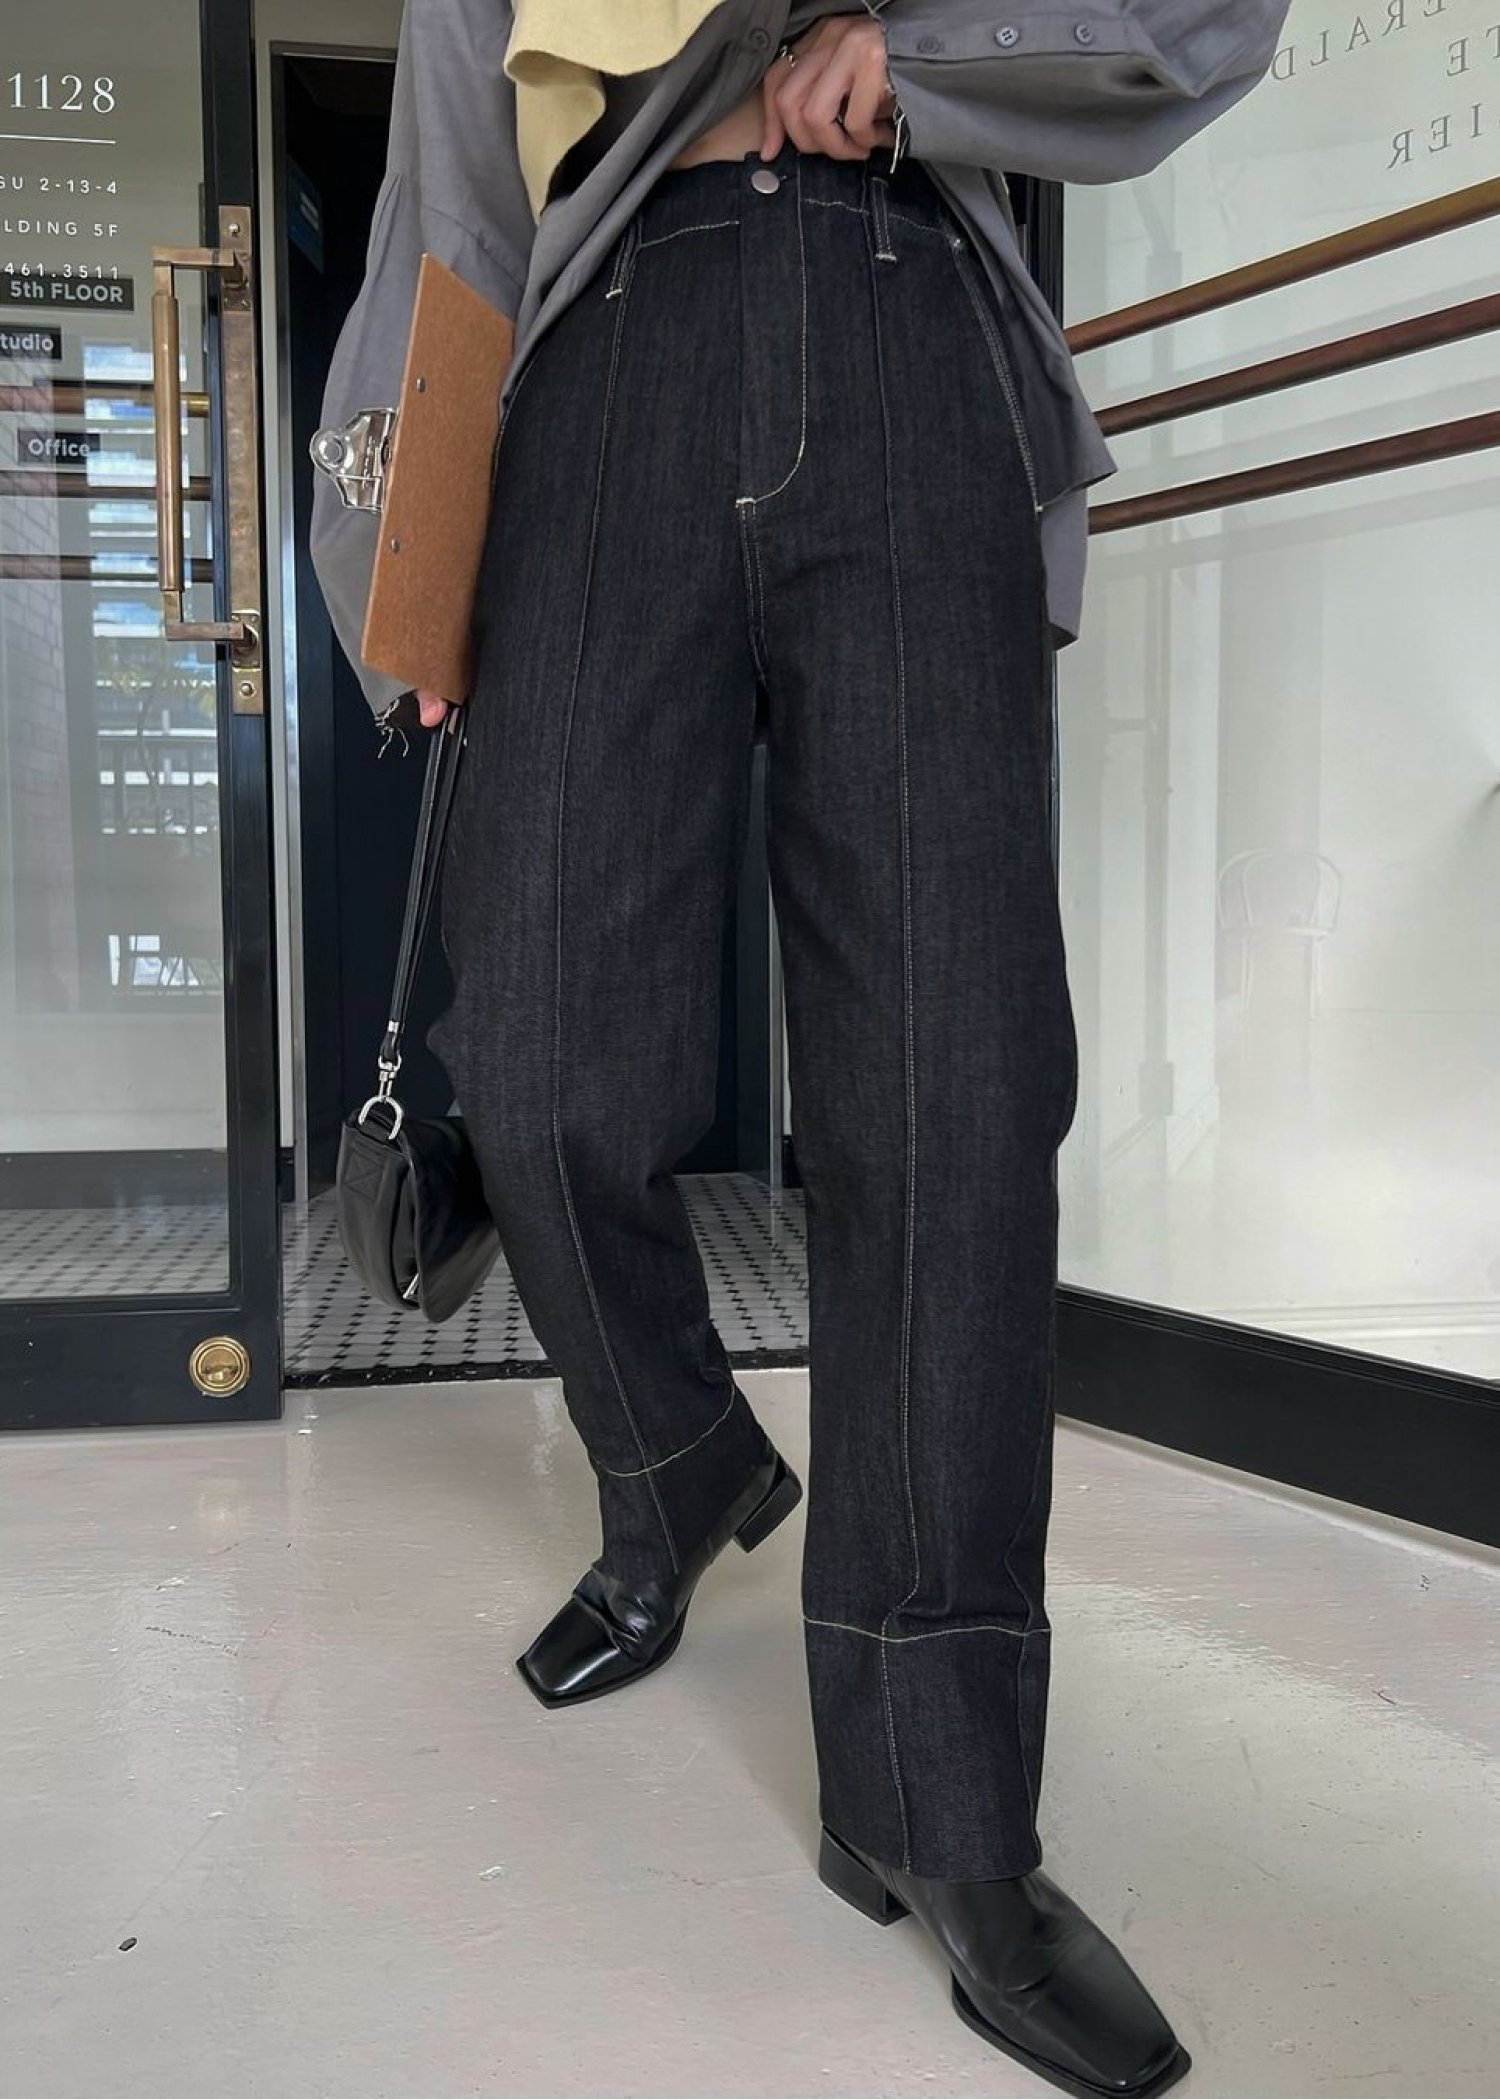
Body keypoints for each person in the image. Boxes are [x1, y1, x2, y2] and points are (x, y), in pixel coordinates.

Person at [312, 6, 1288, 2093]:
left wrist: (925, 56)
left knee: (954, 1085)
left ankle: (942, 1802)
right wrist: (409, 566)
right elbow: (454, 189)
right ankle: (674, 1471)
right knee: (542, 1057)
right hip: (604, 367)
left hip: (907, 319)